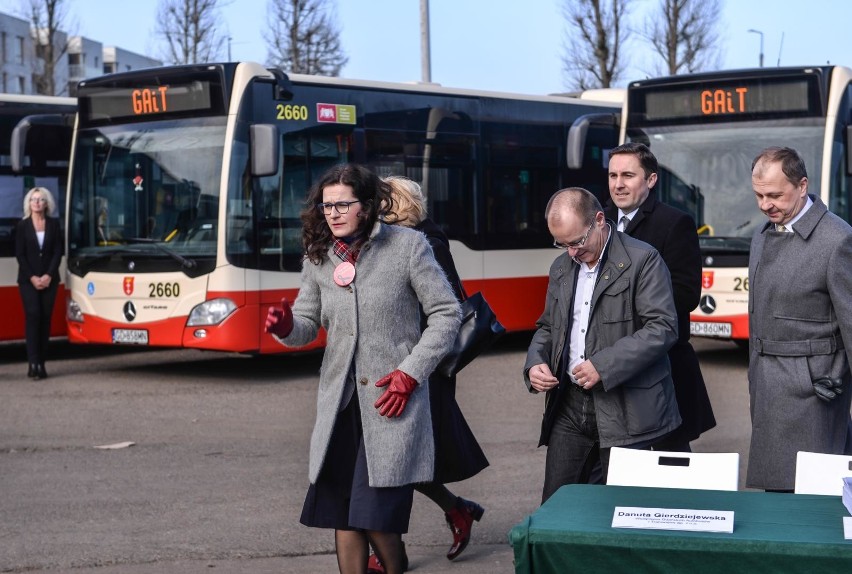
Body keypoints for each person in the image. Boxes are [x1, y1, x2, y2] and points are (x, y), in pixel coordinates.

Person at [264, 164, 461, 574]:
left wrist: (410, 373)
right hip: (340, 407)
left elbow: (446, 314)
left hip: (389, 403)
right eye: (326, 205)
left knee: (375, 518)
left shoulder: (409, 246)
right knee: (343, 515)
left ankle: (395, 565)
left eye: (342, 205)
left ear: (368, 206)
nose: (332, 213)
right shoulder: (319, 257)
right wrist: (286, 326)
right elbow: (306, 324)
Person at [523, 187, 681, 503]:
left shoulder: (643, 259)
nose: (571, 252)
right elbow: (548, 327)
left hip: (628, 408)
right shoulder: (561, 267)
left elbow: (662, 328)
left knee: (619, 514)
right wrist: (534, 362)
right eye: (562, 244)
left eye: (577, 242)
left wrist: (603, 365)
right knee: (557, 507)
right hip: (569, 406)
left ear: (598, 221)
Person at [364, 176, 486, 572]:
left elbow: (434, 313)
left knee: (394, 459)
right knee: (397, 459)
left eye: (376, 203)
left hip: (418, 368)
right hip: (393, 364)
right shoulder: (400, 242)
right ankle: (456, 509)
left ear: (392, 207)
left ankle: (386, 552)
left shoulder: (423, 245)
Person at [747, 146, 852, 492]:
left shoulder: (838, 239)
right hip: (768, 385)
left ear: (803, 185)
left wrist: (831, 377)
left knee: (816, 498)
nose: (765, 204)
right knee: (776, 498)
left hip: (815, 392)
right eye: (759, 195)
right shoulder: (762, 234)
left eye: (775, 194)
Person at [605, 142, 716, 451]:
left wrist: (623, 309)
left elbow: (685, 294)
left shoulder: (674, 223)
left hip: (662, 367)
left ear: (651, 180)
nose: (618, 184)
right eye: (613, 175)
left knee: (671, 468)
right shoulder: (598, 221)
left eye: (628, 175)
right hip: (610, 364)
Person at [16, 187, 64, 380]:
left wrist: (49, 275)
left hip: (49, 280)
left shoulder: (53, 224)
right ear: (29, 204)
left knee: (45, 319)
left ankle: (41, 364)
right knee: (33, 315)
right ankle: (32, 362)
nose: (36, 203)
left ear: (47, 204)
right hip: (28, 281)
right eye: (33, 199)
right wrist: (33, 278)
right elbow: (20, 254)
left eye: (40, 199)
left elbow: (57, 252)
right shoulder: (22, 226)